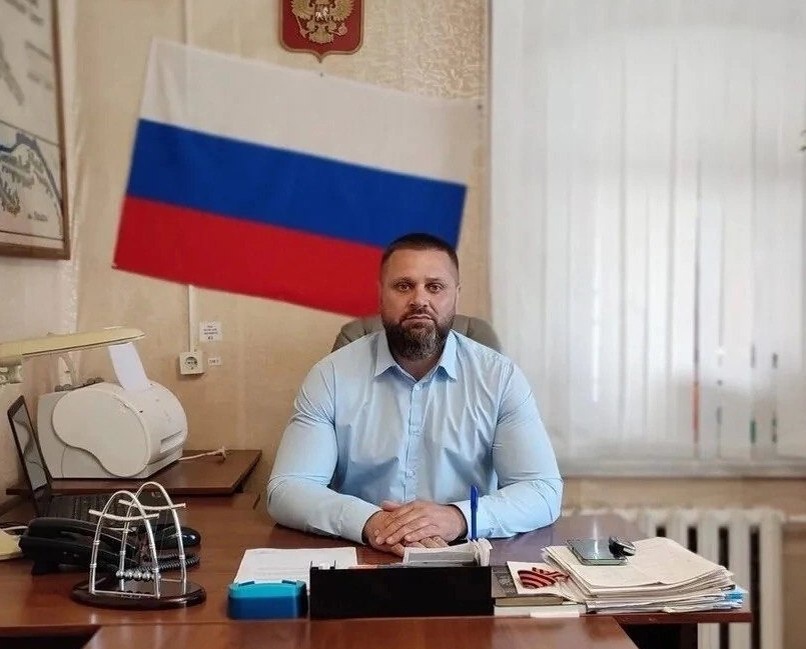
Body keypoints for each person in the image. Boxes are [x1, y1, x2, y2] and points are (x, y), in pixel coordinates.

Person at [267, 232, 562, 556]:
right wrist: (372, 522)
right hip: (365, 553)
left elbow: (542, 491)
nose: (419, 300)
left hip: (464, 555)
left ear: (456, 296)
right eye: (403, 286)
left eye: (434, 287)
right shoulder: (331, 375)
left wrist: (458, 517)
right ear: (381, 294)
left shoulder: (500, 377)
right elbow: (287, 489)